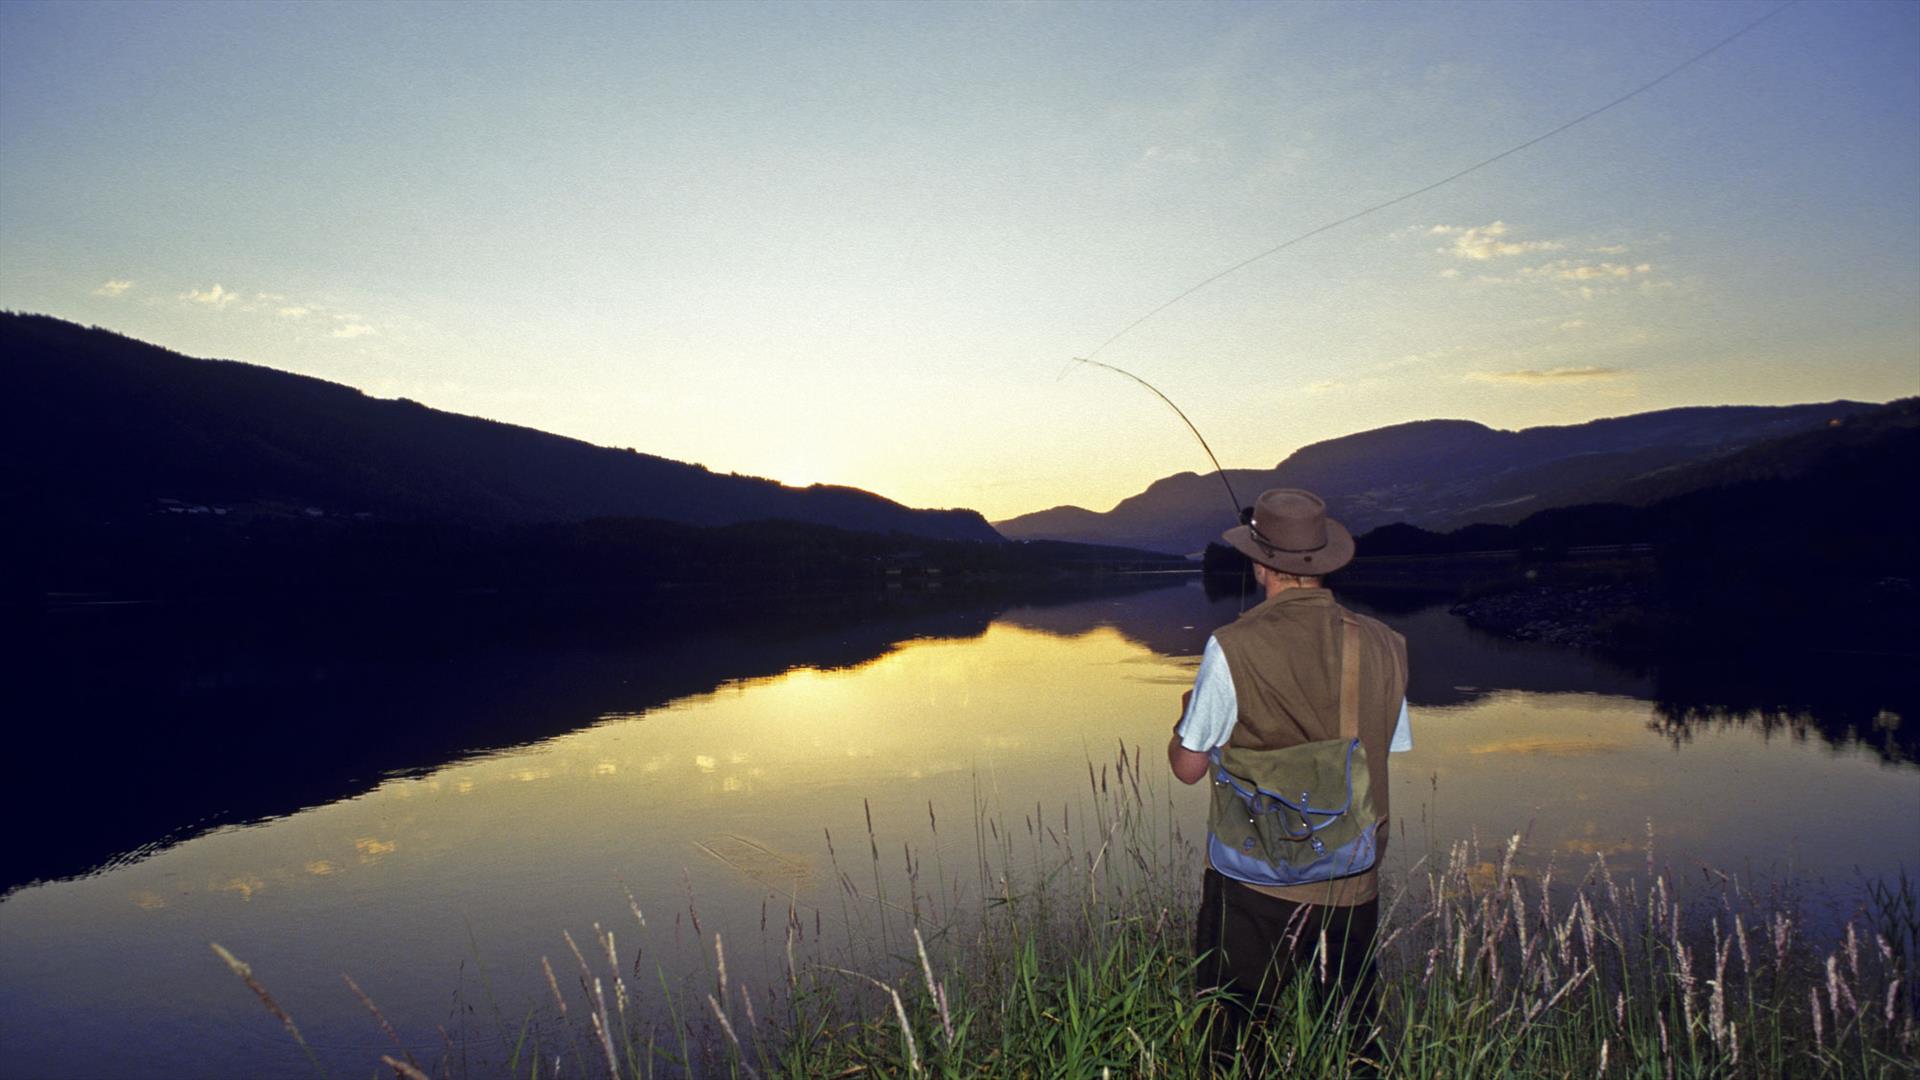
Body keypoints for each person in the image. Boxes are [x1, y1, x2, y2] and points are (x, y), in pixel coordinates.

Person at [1167, 487, 1412, 1067]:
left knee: (1231, 1041)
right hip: (1352, 877)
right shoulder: (1385, 643)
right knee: (1353, 1037)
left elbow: (1187, 768)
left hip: (1252, 885)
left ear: (1259, 562)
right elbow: (1383, 747)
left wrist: (1185, 720)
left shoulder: (1232, 646)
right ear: (1324, 559)